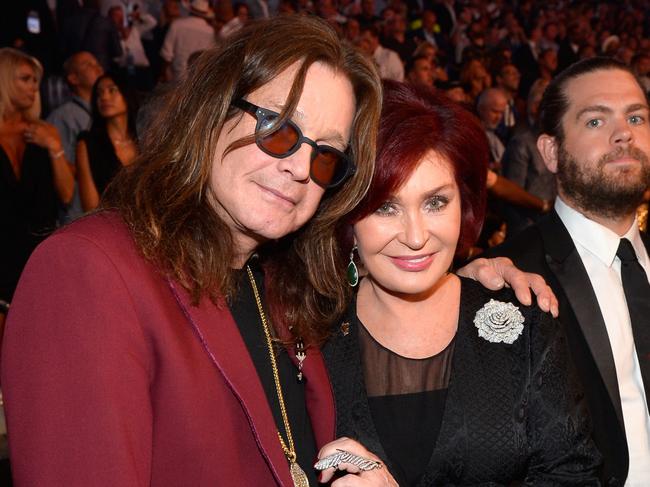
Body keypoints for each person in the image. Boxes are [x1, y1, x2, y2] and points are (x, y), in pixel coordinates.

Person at [3, 16, 557, 487]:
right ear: (213, 109)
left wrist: (469, 275)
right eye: (277, 127)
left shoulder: (279, 289)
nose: (298, 165)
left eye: (325, 155)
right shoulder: (89, 271)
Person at [321, 81, 600, 486]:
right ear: (348, 216)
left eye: (436, 202)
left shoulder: (524, 323)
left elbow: (575, 477)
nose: (416, 236)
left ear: (464, 204)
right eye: (385, 207)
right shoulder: (308, 333)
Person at [487, 57, 650, 485]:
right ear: (551, 152)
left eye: (636, 117)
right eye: (596, 121)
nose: (624, 134)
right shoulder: (508, 280)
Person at [0, 48, 74, 343]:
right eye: (25, 79)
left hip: (36, 258)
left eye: (35, 81)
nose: (34, 87)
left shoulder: (45, 133)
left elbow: (67, 194)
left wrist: (55, 146)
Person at [47, 51, 104, 221]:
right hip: (78, 213)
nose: (98, 67)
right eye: (88, 65)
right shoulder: (63, 117)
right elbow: (61, 167)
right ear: (73, 79)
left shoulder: (106, 112)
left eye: (97, 63)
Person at [76, 73, 139, 212]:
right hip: (109, 225)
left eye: (112, 90)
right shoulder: (87, 143)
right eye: (99, 94)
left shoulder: (144, 137)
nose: (104, 97)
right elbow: (90, 207)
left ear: (126, 93)